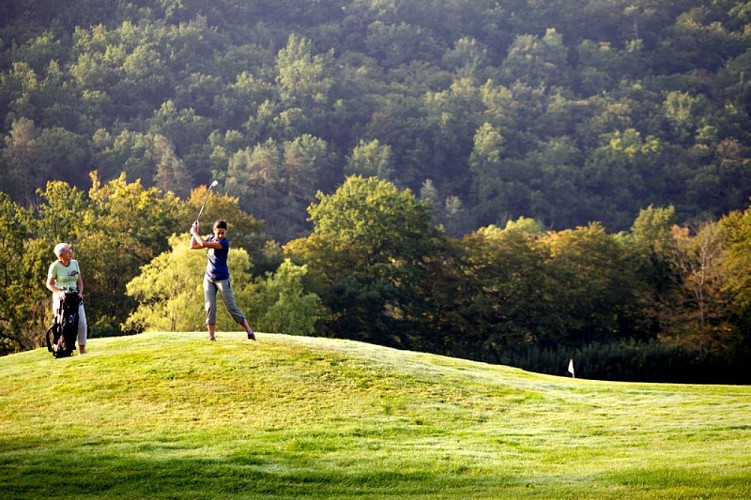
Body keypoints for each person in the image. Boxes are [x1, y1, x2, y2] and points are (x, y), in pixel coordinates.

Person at [190, 219, 256, 341]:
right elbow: (193, 246)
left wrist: (194, 233)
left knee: (231, 308)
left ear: (225, 232)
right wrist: (196, 231)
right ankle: (211, 337)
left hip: (222, 280)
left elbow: (203, 244)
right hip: (209, 278)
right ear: (213, 231)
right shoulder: (210, 239)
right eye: (218, 232)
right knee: (210, 307)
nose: (220, 235)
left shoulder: (224, 243)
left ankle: (249, 332)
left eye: (222, 233)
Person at [46, 243, 88, 354]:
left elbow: (80, 282)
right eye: (68, 251)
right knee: (61, 323)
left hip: (75, 297)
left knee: (82, 323)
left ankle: (82, 351)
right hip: (61, 299)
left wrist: (80, 292)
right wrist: (60, 292)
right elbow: (49, 284)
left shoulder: (75, 263)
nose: (70, 253)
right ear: (61, 255)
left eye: (70, 250)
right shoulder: (55, 266)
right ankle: (61, 347)